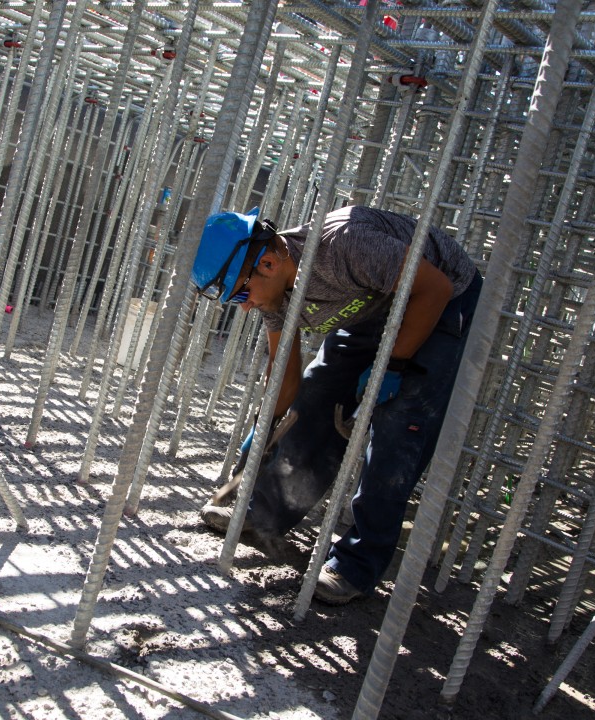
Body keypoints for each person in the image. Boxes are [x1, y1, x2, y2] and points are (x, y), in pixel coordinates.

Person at [191, 204, 482, 605]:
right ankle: (263, 514)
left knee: (398, 428)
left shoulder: (345, 247)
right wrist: (265, 427)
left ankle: (355, 567)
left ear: (269, 264)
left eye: (241, 292)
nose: (244, 305)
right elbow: (284, 372)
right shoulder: (274, 294)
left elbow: (435, 289)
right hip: (372, 301)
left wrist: (393, 365)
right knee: (316, 395)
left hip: (439, 298)